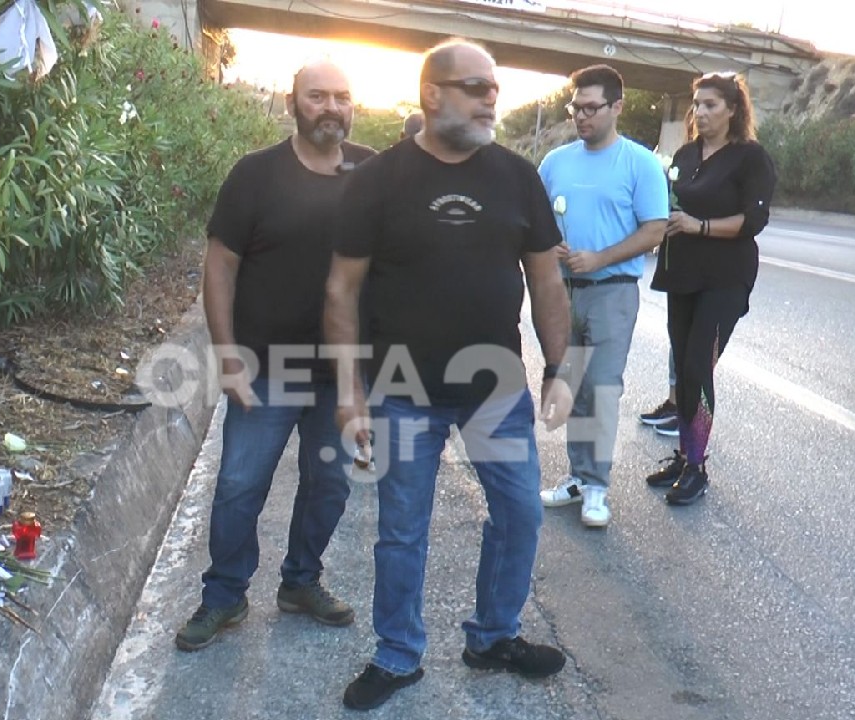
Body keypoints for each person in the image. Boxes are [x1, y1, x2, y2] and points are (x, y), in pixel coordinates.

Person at [324, 39, 574, 711]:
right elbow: (342, 290)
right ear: (432, 94)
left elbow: (546, 280)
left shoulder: (517, 178)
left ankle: (494, 636)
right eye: (476, 87)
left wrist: (559, 366)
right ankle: (397, 654)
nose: (492, 98)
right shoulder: (377, 181)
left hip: (495, 390)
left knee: (520, 513)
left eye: (495, 88)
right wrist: (349, 393)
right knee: (402, 531)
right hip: (402, 389)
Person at [174, 60, 376, 651]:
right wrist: (227, 357)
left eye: (342, 96)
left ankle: (301, 581)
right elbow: (220, 267)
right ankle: (224, 594)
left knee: (329, 485)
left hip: (341, 372)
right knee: (240, 484)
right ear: (293, 103)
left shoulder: (372, 174)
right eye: (318, 96)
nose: (331, 107)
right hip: (265, 368)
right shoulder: (255, 175)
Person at [536, 64, 669, 528]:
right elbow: (537, 219)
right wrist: (549, 243)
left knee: (602, 387)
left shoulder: (640, 163)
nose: (581, 116)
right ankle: (578, 476)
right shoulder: (555, 162)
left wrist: (601, 258)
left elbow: (655, 229)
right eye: (576, 108)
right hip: (562, 292)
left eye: (592, 108)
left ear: (617, 107)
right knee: (573, 385)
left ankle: (597, 487)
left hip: (612, 293)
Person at [644, 71, 776, 505]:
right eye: (697, 104)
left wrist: (699, 226)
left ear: (733, 110)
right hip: (681, 274)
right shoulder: (685, 154)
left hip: (725, 279)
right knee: (684, 368)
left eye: (711, 105)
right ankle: (684, 456)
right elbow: (668, 205)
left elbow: (753, 220)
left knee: (699, 366)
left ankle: (697, 468)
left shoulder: (750, 158)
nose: (700, 112)